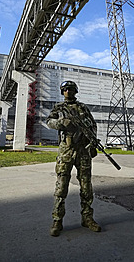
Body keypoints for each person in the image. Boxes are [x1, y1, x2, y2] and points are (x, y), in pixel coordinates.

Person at [46, 80, 101, 237]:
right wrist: (61, 122)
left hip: (83, 151)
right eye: (65, 89)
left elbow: (92, 126)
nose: (68, 92)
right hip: (66, 151)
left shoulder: (83, 108)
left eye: (70, 89)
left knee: (86, 187)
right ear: (62, 92)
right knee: (61, 187)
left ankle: (87, 218)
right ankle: (57, 220)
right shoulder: (59, 108)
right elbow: (48, 122)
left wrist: (92, 142)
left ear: (75, 91)